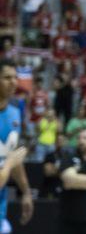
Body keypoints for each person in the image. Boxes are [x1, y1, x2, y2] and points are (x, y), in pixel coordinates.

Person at [0, 60, 33, 231]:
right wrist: (10, 163)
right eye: (7, 77)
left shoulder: (14, 111)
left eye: (15, 77)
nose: (14, 82)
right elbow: (11, 161)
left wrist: (26, 192)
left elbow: (14, 156)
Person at [59, 126, 86, 233]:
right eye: (79, 138)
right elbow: (68, 181)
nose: (81, 141)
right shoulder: (69, 155)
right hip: (69, 217)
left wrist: (76, 178)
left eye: (85, 138)